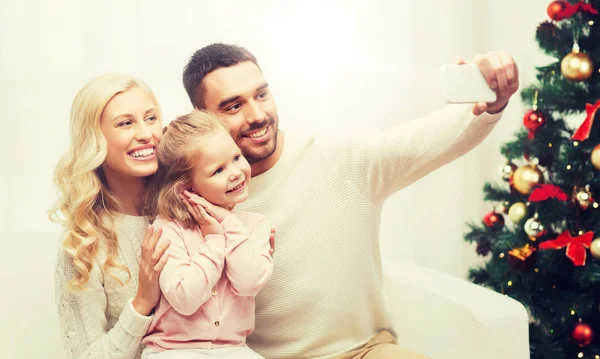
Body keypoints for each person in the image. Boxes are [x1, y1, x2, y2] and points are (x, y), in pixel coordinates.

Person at [180, 43, 520, 359]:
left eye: (262, 95)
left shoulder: (335, 157)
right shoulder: (194, 197)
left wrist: (491, 100)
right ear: (201, 116)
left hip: (364, 351)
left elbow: (424, 142)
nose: (256, 115)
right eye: (234, 106)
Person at [50, 74, 172, 359]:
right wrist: (142, 302)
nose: (146, 134)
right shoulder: (82, 243)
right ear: (94, 140)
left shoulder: (186, 207)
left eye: (151, 118)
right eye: (125, 123)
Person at [141, 110, 273, 359]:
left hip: (233, 349)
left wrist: (227, 222)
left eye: (236, 157)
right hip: (174, 350)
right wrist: (213, 240)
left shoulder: (255, 225)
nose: (235, 172)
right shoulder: (169, 228)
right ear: (187, 188)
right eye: (218, 170)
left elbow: (248, 283)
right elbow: (184, 298)